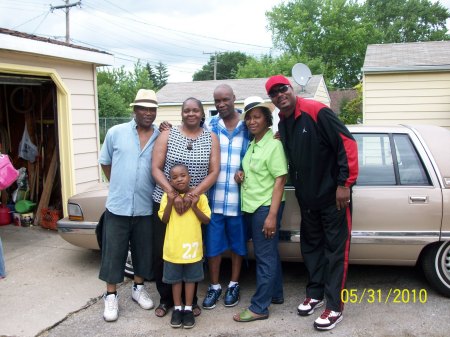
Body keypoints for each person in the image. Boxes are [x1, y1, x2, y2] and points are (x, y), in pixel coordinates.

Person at [265, 75, 358, 330]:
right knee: (312, 248)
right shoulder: (283, 122)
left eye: (282, 89)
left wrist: (344, 185)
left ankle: (335, 307)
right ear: (271, 99)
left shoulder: (317, 111)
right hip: (308, 199)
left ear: (291, 88)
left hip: (333, 198)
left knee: (335, 253)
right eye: (274, 93)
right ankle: (315, 294)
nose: (280, 95)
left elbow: (347, 144)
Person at [152, 97, 220, 318]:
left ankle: (190, 303)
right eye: (186, 110)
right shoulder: (167, 134)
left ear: (202, 113)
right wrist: (172, 194)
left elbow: (214, 171)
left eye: (195, 110)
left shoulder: (211, 138)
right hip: (167, 201)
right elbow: (156, 168)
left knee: (192, 255)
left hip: (195, 204)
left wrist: (193, 195)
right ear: (181, 113)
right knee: (166, 254)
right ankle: (166, 300)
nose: (191, 114)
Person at [98, 89, 160, 322]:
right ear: (134, 110)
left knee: (144, 250)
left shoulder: (160, 136)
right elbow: (106, 162)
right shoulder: (116, 132)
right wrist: (119, 184)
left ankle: (138, 288)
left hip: (146, 204)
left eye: (152, 109)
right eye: (143, 108)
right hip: (118, 205)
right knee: (114, 251)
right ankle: (111, 295)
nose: (148, 112)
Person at [232, 96, 287, 322]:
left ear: (267, 121)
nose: (252, 122)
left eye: (257, 118)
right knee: (269, 253)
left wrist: (272, 216)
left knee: (264, 257)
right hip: (253, 205)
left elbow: (280, 180)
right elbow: (254, 173)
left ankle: (259, 307)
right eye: (249, 118)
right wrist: (240, 175)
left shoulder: (274, 145)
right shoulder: (253, 145)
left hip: (266, 207)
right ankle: (276, 294)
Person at [202, 84, 250, 310]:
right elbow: (187, 131)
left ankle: (233, 284)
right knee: (213, 247)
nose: (221, 104)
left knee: (238, 246)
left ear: (234, 99)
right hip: (214, 200)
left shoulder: (248, 126)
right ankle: (214, 286)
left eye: (225, 100)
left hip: (239, 201)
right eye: (217, 101)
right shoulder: (210, 126)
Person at [159, 164, 211, 329]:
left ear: (189, 177)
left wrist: (194, 206)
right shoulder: (166, 197)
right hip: (173, 249)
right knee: (175, 281)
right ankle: (177, 308)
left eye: (182, 175)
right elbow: (164, 219)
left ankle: (188, 308)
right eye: (174, 177)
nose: (179, 179)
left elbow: (207, 220)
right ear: (170, 181)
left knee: (190, 280)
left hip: (192, 248)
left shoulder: (199, 196)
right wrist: (170, 202)